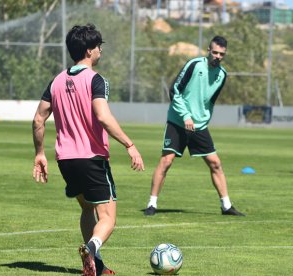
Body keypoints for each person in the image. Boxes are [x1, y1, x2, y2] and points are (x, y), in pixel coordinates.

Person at [32, 24, 145, 276]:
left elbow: (39, 119)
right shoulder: (96, 80)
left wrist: (40, 154)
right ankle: (92, 248)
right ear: (89, 50)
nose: (100, 50)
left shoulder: (56, 80)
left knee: (86, 209)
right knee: (108, 219)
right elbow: (103, 117)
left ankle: (97, 265)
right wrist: (130, 144)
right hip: (92, 158)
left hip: (65, 160)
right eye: (98, 47)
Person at [144, 36, 245, 217]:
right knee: (167, 161)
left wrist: (202, 120)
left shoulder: (222, 75)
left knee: (215, 163)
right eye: (215, 52)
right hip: (178, 120)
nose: (218, 56)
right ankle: (152, 204)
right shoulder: (194, 65)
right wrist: (186, 116)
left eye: (222, 54)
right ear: (208, 50)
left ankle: (226, 206)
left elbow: (210, 102)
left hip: (198, 125)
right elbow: (174, 90)